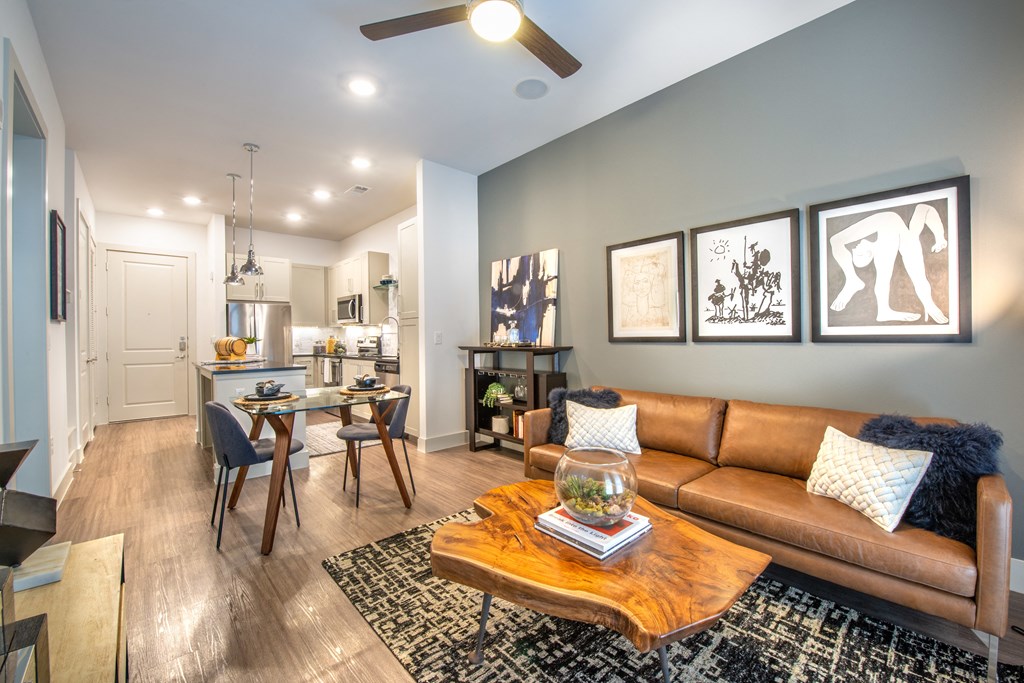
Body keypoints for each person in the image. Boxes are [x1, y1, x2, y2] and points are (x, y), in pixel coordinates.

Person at [828, 203, 948, 324]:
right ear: (870, 255)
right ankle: (882, 309)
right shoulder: (895, 247)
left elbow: (923, 208)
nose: (854, 249)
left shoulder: (900, 236)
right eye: (858, 255)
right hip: (892, 232)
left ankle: (853, 281)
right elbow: (918, 279)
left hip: (889, 225)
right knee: (884, 274)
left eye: (853, 253)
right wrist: (930, 304)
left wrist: (940, 237)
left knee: (836, 240)